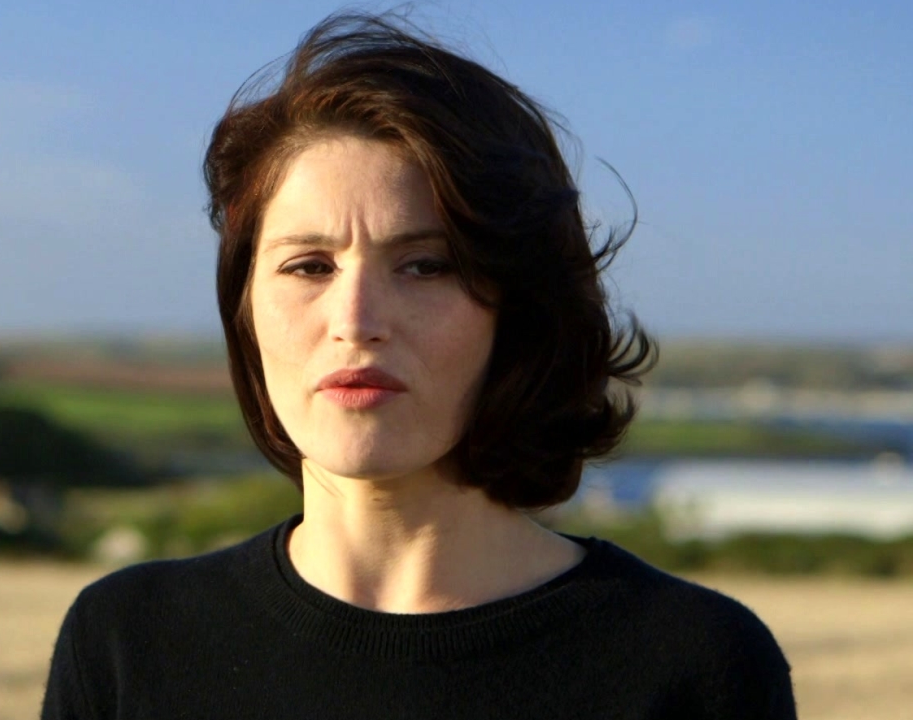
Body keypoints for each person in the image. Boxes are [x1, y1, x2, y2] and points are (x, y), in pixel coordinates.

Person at [42, 12, 796, 719]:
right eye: (308, 266)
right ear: (244, 307)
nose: (356, 321)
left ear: (522, 308)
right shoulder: (128, 645)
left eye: (426, 266)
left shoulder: (693, 664)